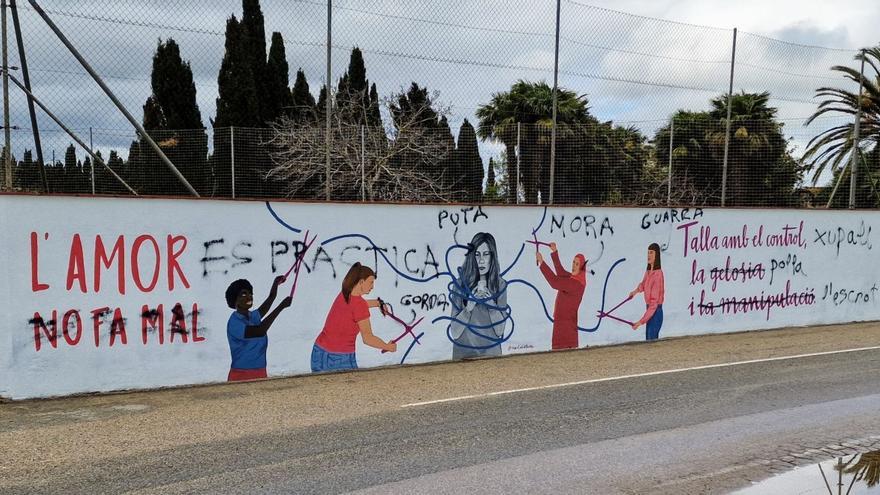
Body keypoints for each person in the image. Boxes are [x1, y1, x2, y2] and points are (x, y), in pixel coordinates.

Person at [311, 263, 396, 372]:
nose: (372, 287)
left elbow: (355, 307)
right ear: (361, 282)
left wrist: (377, 303)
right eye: (371, 282)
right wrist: (388, 347)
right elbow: (367, 338)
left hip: (319, 352)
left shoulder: (344, 294)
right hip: (339, 358)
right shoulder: (359, 305)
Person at [449, 232, 508, 360]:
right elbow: (454, 332)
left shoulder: (500, 284)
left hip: (491, 354)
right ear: (471, 257)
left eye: (486, 254)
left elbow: (500, 331)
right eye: (477, 254)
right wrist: (468, 308)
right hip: (463, 355)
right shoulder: (460, 284)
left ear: (492, 257)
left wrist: (492, 305)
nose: (481, 260)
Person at [225, 276, 292, 382]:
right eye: (244, 294)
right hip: (241, 375)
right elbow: (260, 331)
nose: (249, 297)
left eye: (250, 294)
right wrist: (281, 307)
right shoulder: (234, 323)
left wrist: (276, 283)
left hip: (260, 373)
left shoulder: (252, 316)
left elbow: (270, 299)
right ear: (235, 300)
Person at [536, 242, 587, 349]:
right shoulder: (574, 279)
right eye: (573, 262)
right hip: (562, 323)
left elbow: (554, 281)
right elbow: (560, 272)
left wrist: (542, 262)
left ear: (582, 268)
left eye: (577, 264)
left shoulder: (576, 284)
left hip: (566, 327)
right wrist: (554, 252)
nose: (573, 265)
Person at [629, 243, 665, 341]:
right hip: (650, 310)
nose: (649, 255)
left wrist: (640, 322)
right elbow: (643, 284)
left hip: (655, 312)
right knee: (649, 340)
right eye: (648, 253)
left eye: (651, 253)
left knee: (651, 341)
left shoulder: (658, 275)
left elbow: (654, 304)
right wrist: (634, 292)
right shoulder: (649, 271)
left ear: (656, 255)